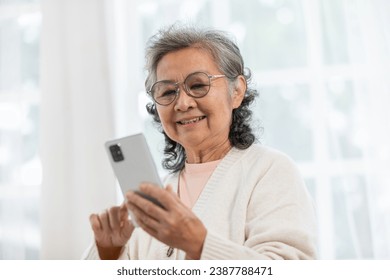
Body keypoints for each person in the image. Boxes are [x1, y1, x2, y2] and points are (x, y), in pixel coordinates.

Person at [84, 24, 317, 260]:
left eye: (198, 85)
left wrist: (199, 244)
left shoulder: (270, 171)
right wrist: (108, 252)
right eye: (167, 92)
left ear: (236, 91)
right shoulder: (151, 198)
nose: (183, 103)